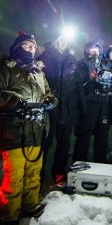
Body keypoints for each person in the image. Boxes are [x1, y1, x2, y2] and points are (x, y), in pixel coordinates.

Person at [0, 30, 57, 225]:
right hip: (14, 133)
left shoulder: (39, 73)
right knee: (14, 177)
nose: (31, 49)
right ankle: (10, 214)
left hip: (37, 130)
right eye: (26, 46)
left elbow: (49, 93)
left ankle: (30, 205)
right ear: (17, 48)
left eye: (33, 46)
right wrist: (12, 99)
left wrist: (51, 100)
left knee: (33, 173)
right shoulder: (5, 70)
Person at [37, 36, 80, 186]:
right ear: (55, 40)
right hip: (49, 109)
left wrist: (76, 108)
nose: (64, 42)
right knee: (44, 144)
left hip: (67, 109)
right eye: (60, 39)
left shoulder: (71, 59)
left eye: (66, 40)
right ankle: (38, 175)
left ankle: (59, 172)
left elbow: (77, 85)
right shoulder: (44, 56)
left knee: (64, 145)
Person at [72, 40, 112, 163]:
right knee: (85, 134)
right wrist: (84, 102)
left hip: (104, 103)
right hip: (89, 103)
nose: (95, 51)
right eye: (91, 49)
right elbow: (78, 85)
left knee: (103, 133)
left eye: (97, 49)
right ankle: (80, 162)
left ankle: (100, 160)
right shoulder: (82, 64)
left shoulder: (105, 64)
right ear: (87, 50)